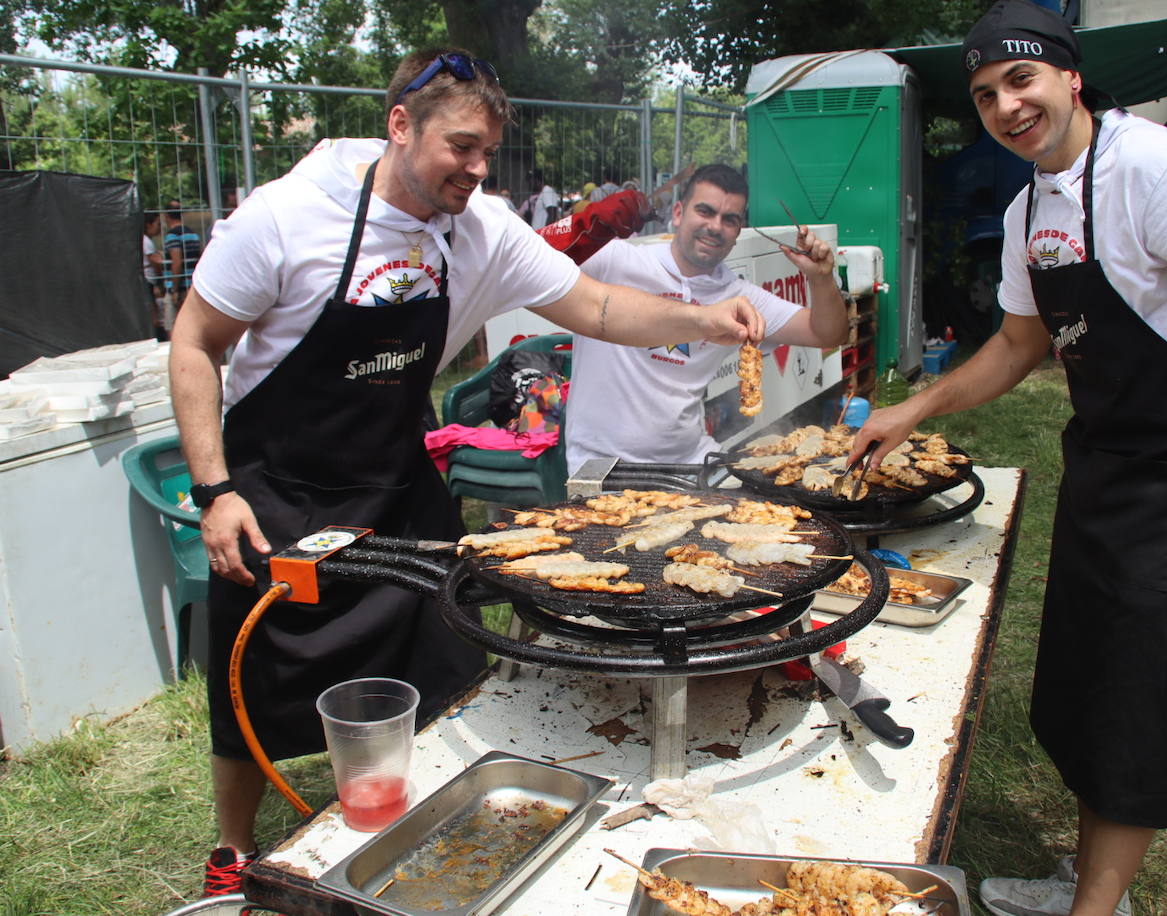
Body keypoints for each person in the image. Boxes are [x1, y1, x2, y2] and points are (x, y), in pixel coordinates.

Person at [169, 46, 763, 899]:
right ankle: (232, 854)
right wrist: (215, 491)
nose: (479, 170)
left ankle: (418, 815)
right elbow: (195, 344)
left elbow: (591, 304)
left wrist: (702, 319)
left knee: (446, 658)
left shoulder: (479, 229)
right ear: (400, 125)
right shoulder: (287, 217)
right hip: (279, 486)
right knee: (254, 683)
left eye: (489, 151)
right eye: (462, 148)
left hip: (395, 480)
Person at [850, 3, 1167, 914]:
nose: (1006, 105)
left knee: (1137, 698)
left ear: (1070, 76)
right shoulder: (1032, 206)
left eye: (1020, 79)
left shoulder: (1161, 170)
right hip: (1103, 465)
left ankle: (1096, 910)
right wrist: (916, 405)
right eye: (986, 93)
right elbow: (1018, 345)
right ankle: (1088, 881)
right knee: (1084, 683)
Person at [564, 163, 848, 469]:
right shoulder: (615, 261)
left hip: (691, 460)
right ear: (677, 213)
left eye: (729, 220)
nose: (715, 226)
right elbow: (526, 262)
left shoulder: (739, 297)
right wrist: (580, 227)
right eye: (705, 211)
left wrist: (821, 278)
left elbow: (827, 334)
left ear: (738, 232)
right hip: (599, 463)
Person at [163, 202, 202, 311]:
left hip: (181, 288)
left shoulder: (172, 236)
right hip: (193, 285)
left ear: (166, 216)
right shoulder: (193, 234)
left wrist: (174, 289)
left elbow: (177, 262)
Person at [142, 211, 168, 340]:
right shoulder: (146, 241)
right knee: (154, 314)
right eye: (158, 224)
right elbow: (155, 262)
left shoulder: (146, 241)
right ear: (149, 224)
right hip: (149, 280)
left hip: (149, 280)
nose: (160, 227)